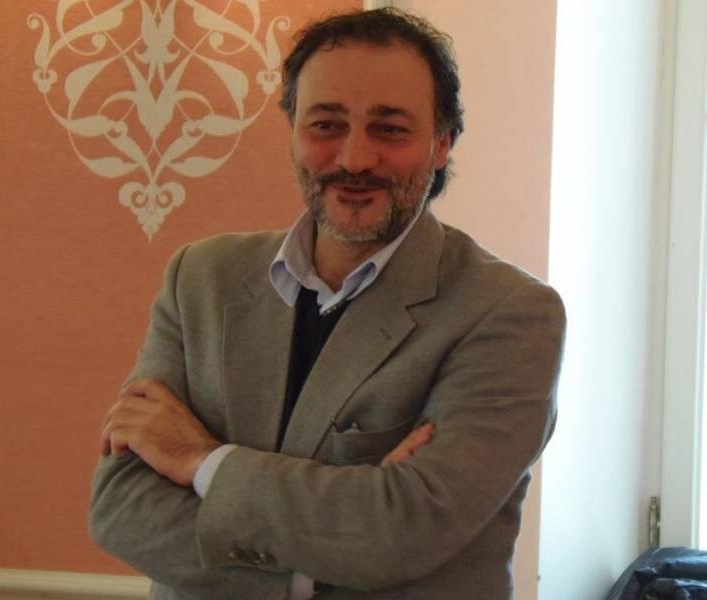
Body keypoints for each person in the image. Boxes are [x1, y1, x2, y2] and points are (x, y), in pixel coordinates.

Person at [90, 7, 565, 600]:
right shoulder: (199, 280)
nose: (355, 158)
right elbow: (121, 508)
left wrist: (201, 461)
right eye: (326, 124)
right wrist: (323, 560)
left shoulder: (511, 313)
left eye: (390, 129)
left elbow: (405, 529)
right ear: (293, 132)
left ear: (442, 143)